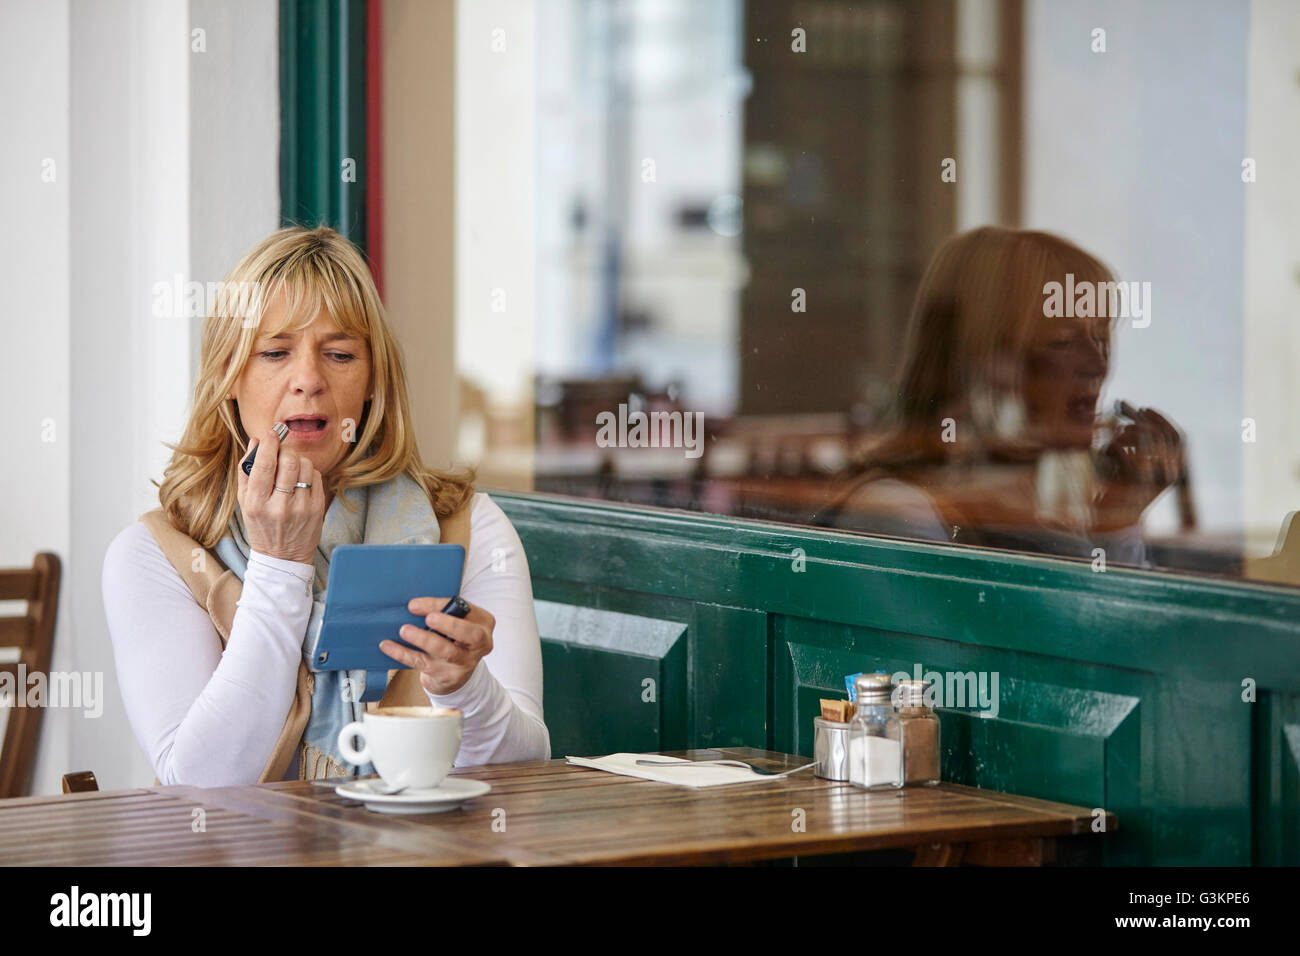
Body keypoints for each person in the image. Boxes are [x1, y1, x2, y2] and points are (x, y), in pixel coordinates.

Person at [102, 226, 549, 786]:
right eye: (274, 352)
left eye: (339, 354)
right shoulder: (157, 555)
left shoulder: (469, 527)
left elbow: (527, 768)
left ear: (371, 383)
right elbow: (202, 783)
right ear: (228, 377)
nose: (308, 380)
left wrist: (465, 686)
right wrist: (280, 564)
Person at [820, 227, 1186, 567]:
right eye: (1061, 341)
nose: (1098, 364)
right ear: (980, 363)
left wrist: (1119, 517)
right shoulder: (899, 513)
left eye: (1102, 339)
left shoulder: (1036, 508)